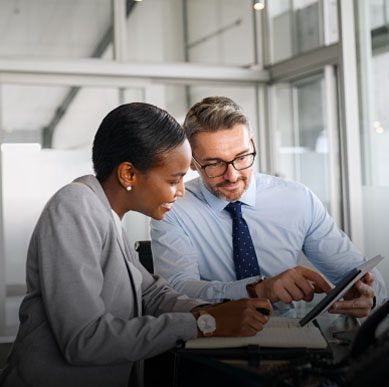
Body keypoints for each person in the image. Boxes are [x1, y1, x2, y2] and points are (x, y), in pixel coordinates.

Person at [0, 103, 272, 387]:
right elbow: (84, 339)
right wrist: (204, 323)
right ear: (128, 174)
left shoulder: (108, 216)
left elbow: (151, 293)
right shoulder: (75, 207)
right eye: (173, 180)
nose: (180, 192)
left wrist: (209, 311)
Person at [150, 96, 386, 317]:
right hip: (213, 342)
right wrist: (257, 290)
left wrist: (369, 296)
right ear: (192, 162)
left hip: (296, 340)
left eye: (242, 157)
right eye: (214, 164)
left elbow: (360, 272)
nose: (232, 176)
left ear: (252, 143)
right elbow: (176, 293)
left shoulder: (297, 199)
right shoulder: (173, 209)